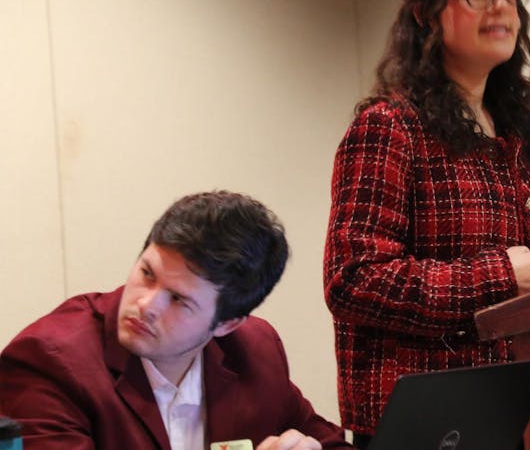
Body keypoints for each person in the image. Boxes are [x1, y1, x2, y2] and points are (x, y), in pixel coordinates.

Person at [323, 0, 530, 446]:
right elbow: (352, 278)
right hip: (430, 421)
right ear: (424, 9)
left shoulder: (512, 127)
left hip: (519, 404)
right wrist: (498, 277)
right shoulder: (389, 126)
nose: (501, 5)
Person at [0, 191, 352, 450]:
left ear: (227, 324)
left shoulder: (254, 351)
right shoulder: (49, 360)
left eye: (179, 299)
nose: (146, 304)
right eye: (147, 273)